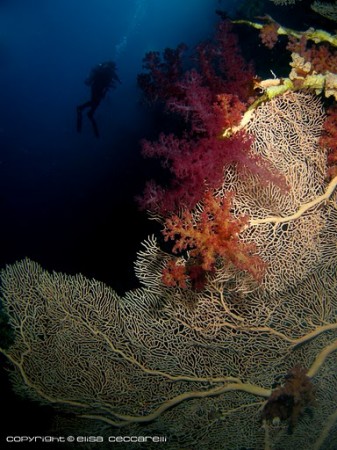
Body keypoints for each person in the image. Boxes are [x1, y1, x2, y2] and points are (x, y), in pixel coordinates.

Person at [77, 61, 121, 138]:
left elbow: (111, 80)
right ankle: (81, 109)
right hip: (98, 88)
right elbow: (112, 79)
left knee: (96, 103)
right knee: (95, 102)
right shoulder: (108, 70)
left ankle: (88, 113)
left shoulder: (106, 70)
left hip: (97, 88)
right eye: (114, 68)